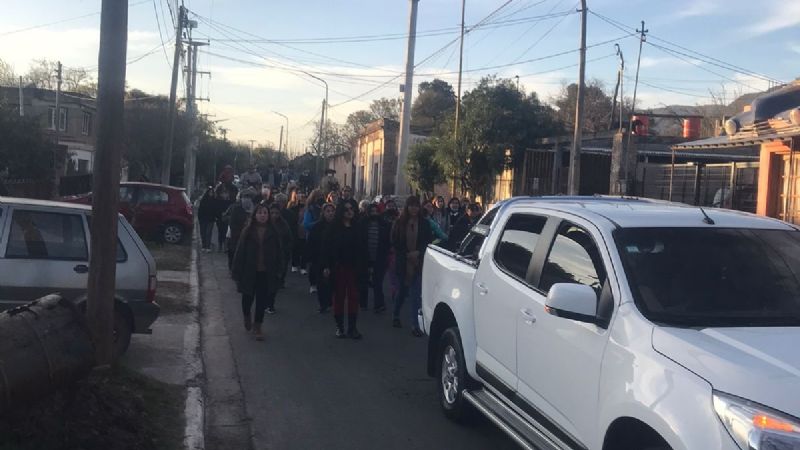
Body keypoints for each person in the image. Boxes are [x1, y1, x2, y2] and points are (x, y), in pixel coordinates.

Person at [231, 203, 283, 341]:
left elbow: (279, 253)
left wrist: (279, 270)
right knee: (247, 298)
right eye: (260, 213)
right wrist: (236, 271)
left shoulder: (273, 232)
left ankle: (258, 326)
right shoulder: (248, 232)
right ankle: (247, 315)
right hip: (249, 270)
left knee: (262, 300)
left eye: (265, 213)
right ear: (255, 215)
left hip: (266, 272)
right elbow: (240, 251)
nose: (262, 215)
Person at [323, 202, 367, 339]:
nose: (350, 212)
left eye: (351, 209)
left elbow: (363, 249)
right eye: (346, 209)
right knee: (339, 297)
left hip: (354, 267)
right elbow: (326, 249)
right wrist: (326, 266)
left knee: (354, 297)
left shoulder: (358, 228)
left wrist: (365, 266)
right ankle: (340, 327)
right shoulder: (333, 229)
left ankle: (352, 327)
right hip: (338, 267)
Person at [391, 196, 432, 336]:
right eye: (411, 206)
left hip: (418, 262)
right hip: (403, 262)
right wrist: (407, 254)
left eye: (416, 206)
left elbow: (427, 240)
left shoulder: (425, 223)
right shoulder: (399, 223)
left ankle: (415, 325)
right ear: (407, 207)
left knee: (415, 294)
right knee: (402, 291)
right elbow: (395, 241)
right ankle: (396, 314)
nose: (414, 208)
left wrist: (418, 252)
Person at [357, 203, 390, 313]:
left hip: (379, 257)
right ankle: (362, 303)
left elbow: (387, 241)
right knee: (363, 281)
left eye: (376, 211)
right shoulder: (362, 223)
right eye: (372, 211)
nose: (374, 214)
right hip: (364, 256)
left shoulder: (384, 224)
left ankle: (379, 304)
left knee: (378, 282)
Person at [308, 203, 336, 313]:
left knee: (332, 282)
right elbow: (312, 243)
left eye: (332, 211)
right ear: (323, 213)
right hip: (319, 258)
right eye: (328, 211)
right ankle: (323, 304)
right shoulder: (318, 227)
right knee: (321, 282)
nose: (330, 213)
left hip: (334, 258)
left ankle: (330, 301)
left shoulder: (337, 226)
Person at [223, 187, 256, 269]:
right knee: (233, 253)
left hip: (249, 237)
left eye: (249, 197)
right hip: (236, 236)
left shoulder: (255, 209)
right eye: (245, 197)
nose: (247, 199)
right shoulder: (236, 208)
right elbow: (231, 222)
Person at [269, 202, 292, 300]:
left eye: (276, 213)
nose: (274, 215)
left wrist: (285, 250)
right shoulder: (265, 224)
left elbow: (289, 239)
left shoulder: (283, 224)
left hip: (280, 254)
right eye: (272, 213)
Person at [303, 189, 324, 293]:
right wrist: (318, 223)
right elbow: (306, 225)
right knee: (314, 263)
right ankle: (313, 284)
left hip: (324, 238)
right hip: (313, 238)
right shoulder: (310, 209)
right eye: (318, 196)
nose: (320, 198)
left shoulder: (325, 208)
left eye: (321, 196)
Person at [288, 191, 308, 274]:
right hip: (295, 230)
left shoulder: (307, 208)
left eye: (303, 197)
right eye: (300, 197)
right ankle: (294, 265)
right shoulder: (292, 208)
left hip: (304, 231)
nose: (302, 199)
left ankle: (303, 267)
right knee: (295, 248)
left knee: (304, 250)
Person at [197, 186, 216, 252]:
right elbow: (200, 210)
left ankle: (208, 247)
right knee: (203, 232)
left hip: (211, 219)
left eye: (212, 193)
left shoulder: (214, 201)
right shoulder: (203, 200)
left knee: (208, 233)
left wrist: (215, 217)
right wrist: (199, 218)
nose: (211, 194)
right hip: (203, 219)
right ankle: (203, 245)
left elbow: (216, 210)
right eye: (210, 192)